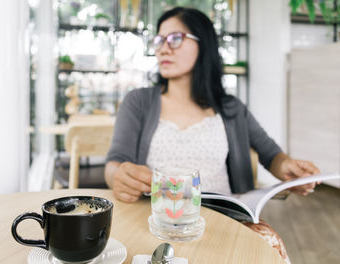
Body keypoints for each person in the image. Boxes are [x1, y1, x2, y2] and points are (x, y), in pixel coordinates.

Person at [104, 6, 319, 263]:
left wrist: (287, 166)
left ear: (203, 44)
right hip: (158, 224)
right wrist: (119, 175)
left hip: (224, 223)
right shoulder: (138, 102)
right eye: (159, 40)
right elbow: (116, 162)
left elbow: (271, 154)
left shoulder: (230, 108)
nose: (163, 48)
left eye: (175, 39)